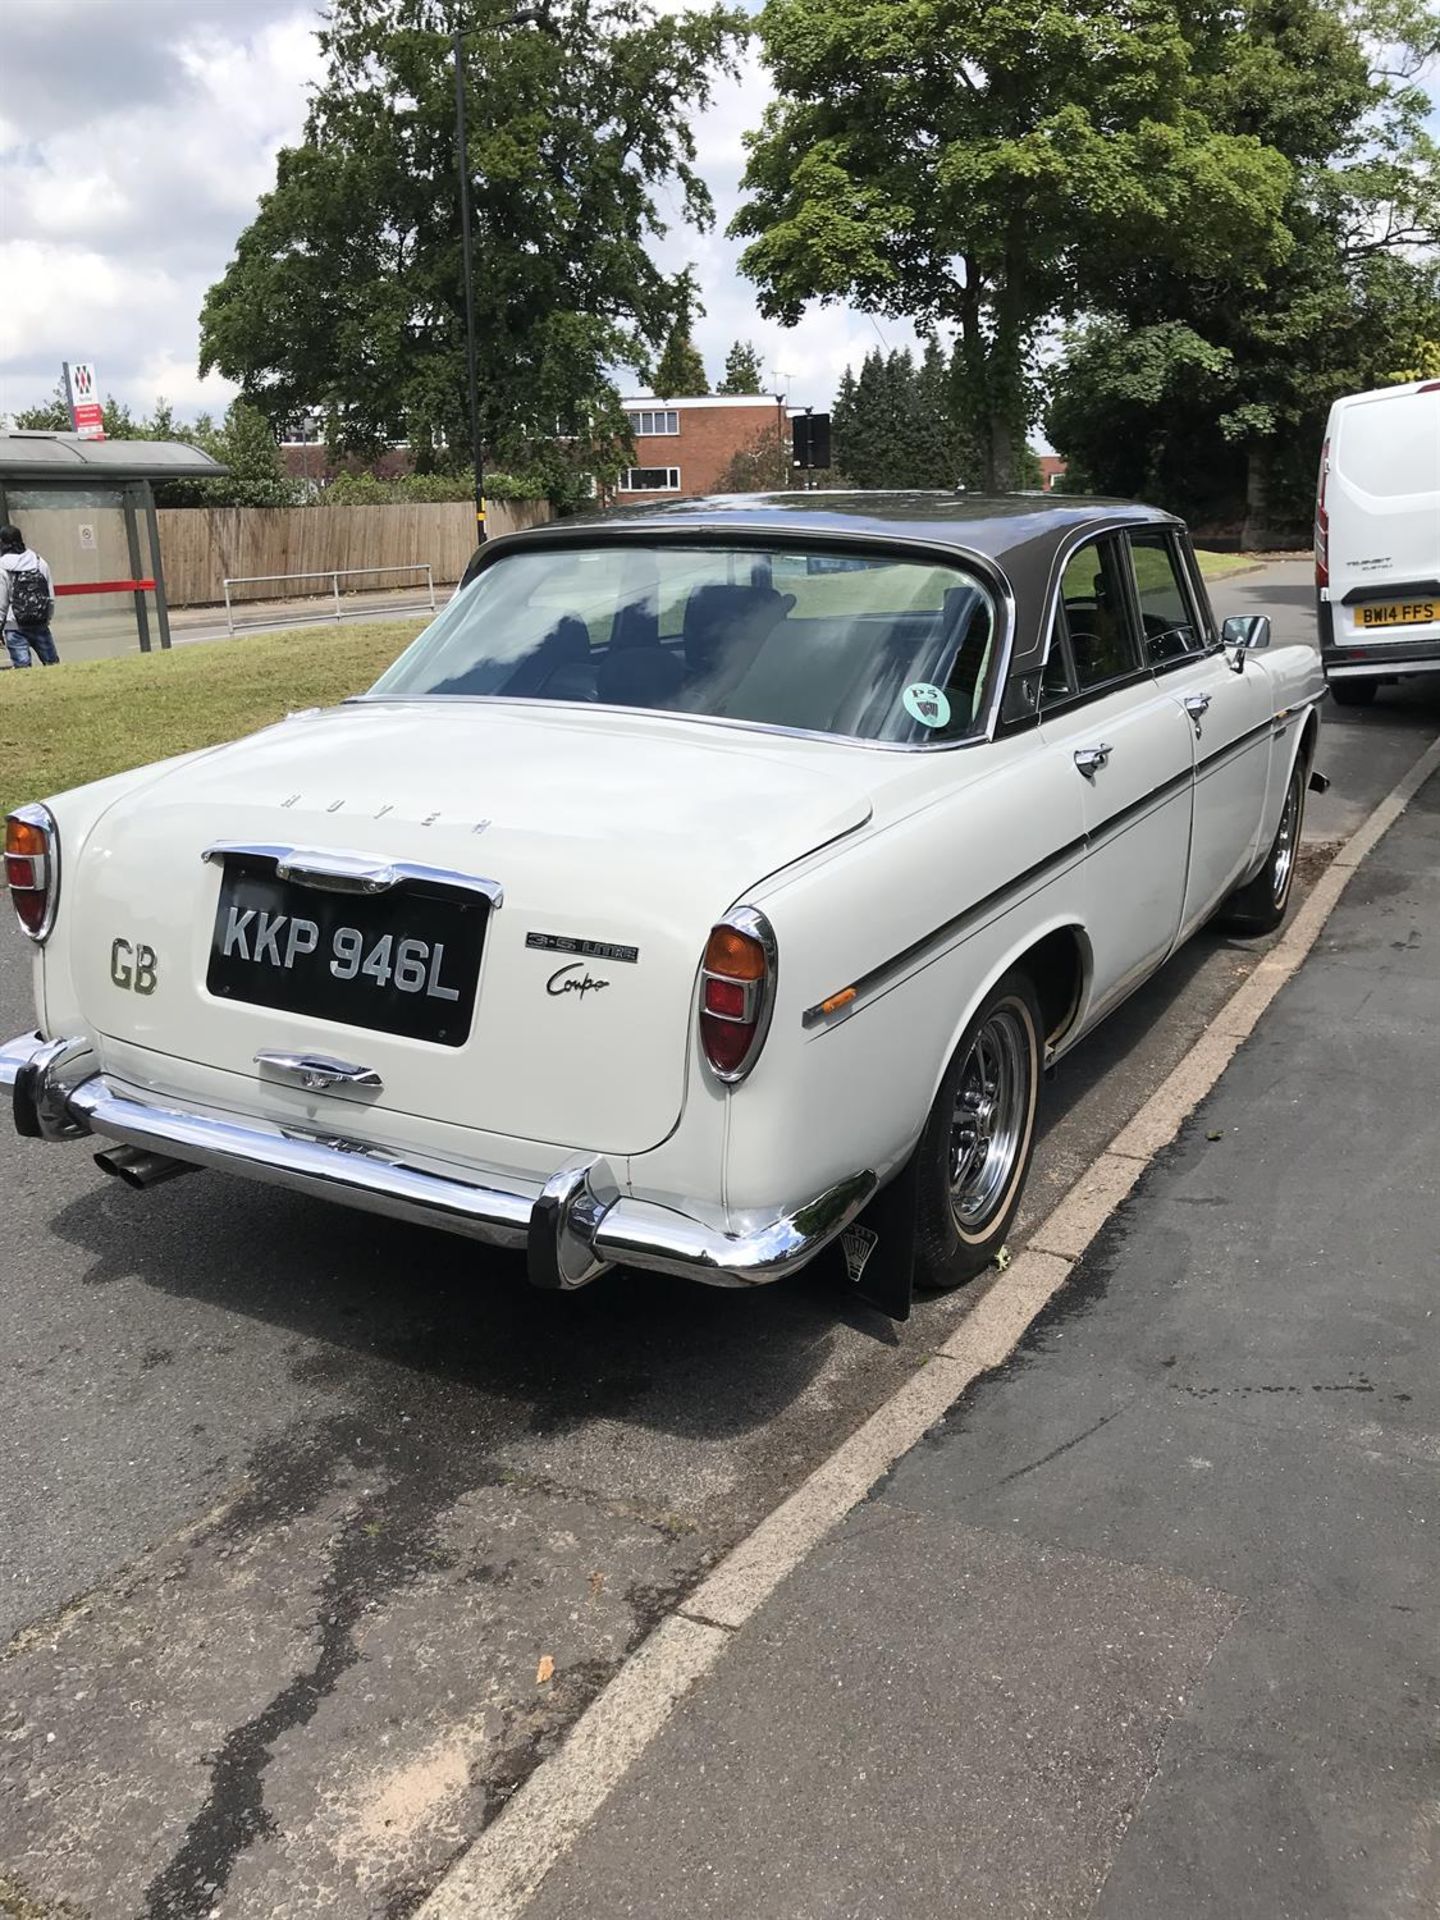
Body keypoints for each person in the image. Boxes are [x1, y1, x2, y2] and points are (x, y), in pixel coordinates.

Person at [0, 523, 59, 668]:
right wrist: (46, 618)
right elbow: (50, 597)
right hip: (39, 623)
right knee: (53, 666)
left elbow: (1, 604)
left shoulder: (2, 567)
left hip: (14, 626)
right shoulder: (39, 562)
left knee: (23, 670)